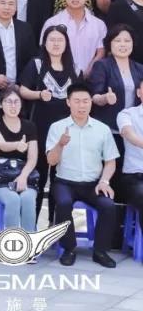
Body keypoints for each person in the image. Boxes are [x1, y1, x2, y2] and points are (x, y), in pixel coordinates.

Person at [46, 84, 118, 268]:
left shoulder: (102, 129)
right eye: (77, 101)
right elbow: (51, 161)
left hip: (93, 184)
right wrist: (60, 145)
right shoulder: (57, 127)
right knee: (63, 204)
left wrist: (104, 181)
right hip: (65, 182)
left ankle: (100, 251)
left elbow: (110, 161)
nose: (81, 105)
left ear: (91, 103)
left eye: (85, 101)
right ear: (68, 102)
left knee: (108, 206)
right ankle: (69, 249)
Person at [18, 25, 79, 217]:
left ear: (66, 43)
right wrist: (38, 94)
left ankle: (56, 223)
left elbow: (80, 96)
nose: (56, 44)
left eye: (60, 40)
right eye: (51, 39)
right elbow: (22, 90)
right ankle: (31, 224)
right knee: (38, 175)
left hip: (66, 130)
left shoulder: (74, 68)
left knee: (60, 178)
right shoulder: (36, 64)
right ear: (44, 43)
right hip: (40, 127)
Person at [0, 87, 40, 232]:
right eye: (8, 101)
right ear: (0, 104)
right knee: (13, 199)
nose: (13, 105)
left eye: (16, 102)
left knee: (28, 199)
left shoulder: (29, 126)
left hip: (24, 176)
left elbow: (33, 157)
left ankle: (30, 240)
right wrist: (17, 145)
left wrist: (23, 177)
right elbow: (2, 145)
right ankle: (13, 240)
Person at [40, 0, 107, 76]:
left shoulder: (99, 24)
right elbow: (44, 52)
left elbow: (101, 52)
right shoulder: (52, 23)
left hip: (90, 77)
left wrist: (89, 71)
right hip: (60, 77)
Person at [87, 25, 143, 131]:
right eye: (117, 40)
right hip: (109, 128)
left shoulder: (140, 68)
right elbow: (94, 97)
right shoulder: (102, 66)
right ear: (110, 43)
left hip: (134, 128)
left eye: (127, 41)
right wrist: (105, 98)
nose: (123, 44)